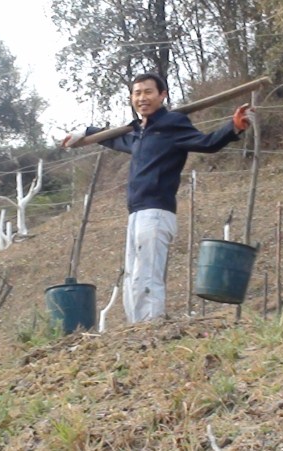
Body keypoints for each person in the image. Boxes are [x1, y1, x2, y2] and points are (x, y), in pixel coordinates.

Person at [61, 73, 253, 324]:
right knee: (133, 275)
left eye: (148, 92)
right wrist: (85, 133)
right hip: (135, 213)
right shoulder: (139, 132)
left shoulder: (173, 124)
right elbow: (114, 138)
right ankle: (136, 328)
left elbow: (207, 143)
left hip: (156, 212)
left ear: (162, 95)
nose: (142, 98)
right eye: (137, 93)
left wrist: (233, 127)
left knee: (148, 275)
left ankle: (152, 326)